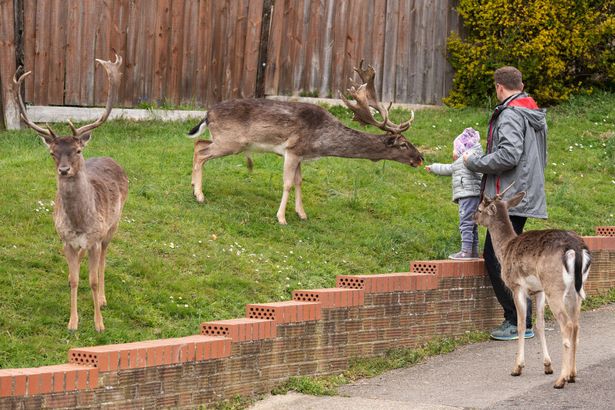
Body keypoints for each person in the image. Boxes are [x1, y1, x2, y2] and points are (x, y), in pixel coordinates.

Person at [463, 66, 548, 341]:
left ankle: (516, 321)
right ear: (520, 84)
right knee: (515, 258)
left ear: (499, 87)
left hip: (509, 196)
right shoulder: (532, 110)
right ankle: (523, 319)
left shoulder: (511, 113)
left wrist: (473, 162)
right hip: (526, 190)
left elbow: (508, 155)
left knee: (496, 257)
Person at [426, 127, 483, 260]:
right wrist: (433, 167)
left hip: (467, 195)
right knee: (472, 223)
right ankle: (473, 251)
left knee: (466, 223)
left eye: (455, 148)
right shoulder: (469, 160)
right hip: (474, 195)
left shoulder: (467, 160)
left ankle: (466, 251)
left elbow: (449, 168)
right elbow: (448, 168)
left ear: (462, 148)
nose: (453, 152)